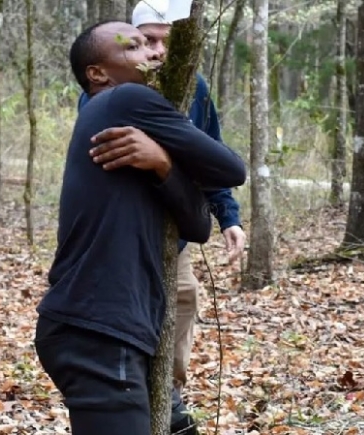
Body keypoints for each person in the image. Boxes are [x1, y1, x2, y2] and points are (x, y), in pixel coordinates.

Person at [34, 20, 246, 435]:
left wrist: (162, 163)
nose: (154, 53)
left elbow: (197, 226)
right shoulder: (122, 99)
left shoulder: (127, 127)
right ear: (98, 73)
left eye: (154, 44)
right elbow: (231, 168)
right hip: (97, 329)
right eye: (135, 46)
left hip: (108, 328)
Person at [80, 0, 247, 399]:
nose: (156, 52)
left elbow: (214, 155)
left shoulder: (195, 88)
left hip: (177, 227)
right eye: (146, 41)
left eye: (165, 42)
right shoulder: (108, 90)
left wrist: (229, 217)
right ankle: (129, 392)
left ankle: (168, 393)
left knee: (183, 298)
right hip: (123, 233)